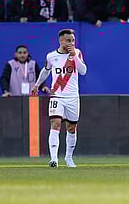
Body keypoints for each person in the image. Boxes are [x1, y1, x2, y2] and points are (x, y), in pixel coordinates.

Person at [31, 29, 87, 168]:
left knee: (72, 128)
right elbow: (45, 71)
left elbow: (83, 71)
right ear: (61, 41)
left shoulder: (77, 53)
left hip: (73, 96)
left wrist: (74, 57)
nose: (71, 43)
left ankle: (69, 158)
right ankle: (54, 159)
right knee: (55, 124)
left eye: (73, 40)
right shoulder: (51, 56)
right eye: (68, 40)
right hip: (57, 95)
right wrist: (37, 85)